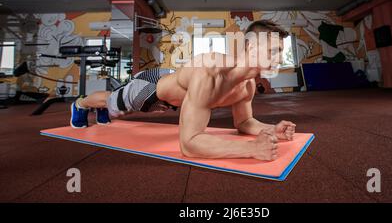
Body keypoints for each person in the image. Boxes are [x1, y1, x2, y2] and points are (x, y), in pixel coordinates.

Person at [71, 19, 296, 161]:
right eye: (273, 50)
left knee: (111, 108)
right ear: (253, 46)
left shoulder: (247, 87)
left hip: (173, 81)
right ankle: (80, 104)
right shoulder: (210, 72)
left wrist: (272, 129)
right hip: (150, 90)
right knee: (113, 102)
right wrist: (251, 149)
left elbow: (244, 123)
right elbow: (189, 144)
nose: (279, 58)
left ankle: (100, 111)